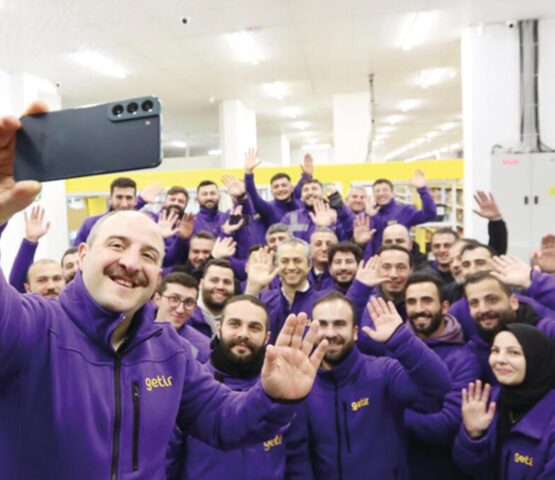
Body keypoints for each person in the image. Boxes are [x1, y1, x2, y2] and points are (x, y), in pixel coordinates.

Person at [0, 102, 329, 479]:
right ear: (83, 254)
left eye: (148, 255)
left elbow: (224, 421)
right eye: (117, 245)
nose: (131, 262)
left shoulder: (170, 350)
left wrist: (274, 399)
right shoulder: (31, 326)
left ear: (158, 275)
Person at [307, 292, 451, 480]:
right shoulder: (303, 383)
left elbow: (439, 387)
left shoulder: (383, 372)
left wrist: (401, 338)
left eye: (339, 324)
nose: (331, 333)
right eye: (322, 325)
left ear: (355, 332)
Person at [167, 295, 312, 479]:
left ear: (267, 337)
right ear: (219, 329)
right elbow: (167, 463)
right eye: (235, 324)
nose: (243, 334)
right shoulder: (191, 389)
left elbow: (297, 460)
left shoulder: (282, 390)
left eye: (254, 327)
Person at [403, 273, 480, 480]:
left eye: (427, 300)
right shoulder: (395, 349)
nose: (418, 309)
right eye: (411, 302)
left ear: (444, 307)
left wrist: (390, 415)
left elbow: (448, 424)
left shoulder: (465, 358)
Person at [453, 324, 555, 479]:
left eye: (514, 352)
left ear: (537, 359)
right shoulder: (489, 400)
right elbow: (467, 470)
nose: (500, 360)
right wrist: (473, 436)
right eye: (495, 351)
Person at [244, 148, 312, 227]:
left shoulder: (303, 203)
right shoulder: (268, 209)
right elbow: (253, 196)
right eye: (276, 187)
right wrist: (248, 173)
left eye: (284, 185)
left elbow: (301, 188)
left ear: (291, 188)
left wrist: (307, 176)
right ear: (271, 191)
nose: (280, 189)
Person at [153, 272, 210, 362]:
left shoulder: (203, 348)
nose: (180, 310)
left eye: (189, 302)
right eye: (174, 299)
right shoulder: (135, 331)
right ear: (157, 299)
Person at [369, 170, 437, 247]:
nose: (381, 193)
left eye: (385, 190)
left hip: (400, 254)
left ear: (393, 193)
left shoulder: (405, 211)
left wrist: (422, 189)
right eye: (377, 191)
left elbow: (430, 214)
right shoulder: (369, 214)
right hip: (377, 255)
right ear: (373, 194)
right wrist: (369, 215)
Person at [73, 176, 138, 245]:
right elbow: (77, 250)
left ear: (135, 200)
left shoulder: (142, 225)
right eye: (119, 197)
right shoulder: (91, 224)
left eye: (129, 198)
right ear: (110, 198)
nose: (124, 204)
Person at [189, 258, 236, 337]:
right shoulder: (185, 316)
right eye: (214, 280)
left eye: (227, 282)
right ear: (201, 284)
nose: (220, 286)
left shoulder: (239, 322)